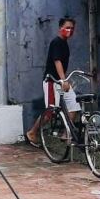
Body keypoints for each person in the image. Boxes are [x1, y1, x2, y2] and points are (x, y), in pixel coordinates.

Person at [26, 17, 80, 146]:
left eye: (72, 28)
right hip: (52, 81)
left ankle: (66, 133)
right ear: (60, 28)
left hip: (61, 81)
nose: (70, 30)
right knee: (50, 112)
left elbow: (61, 65)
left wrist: (65, 80)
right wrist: (63, 80)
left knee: (74, 105)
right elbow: (57, 61)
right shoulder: (56, 42)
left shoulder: (65, 44)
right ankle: (32, 132)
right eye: (67, 27)